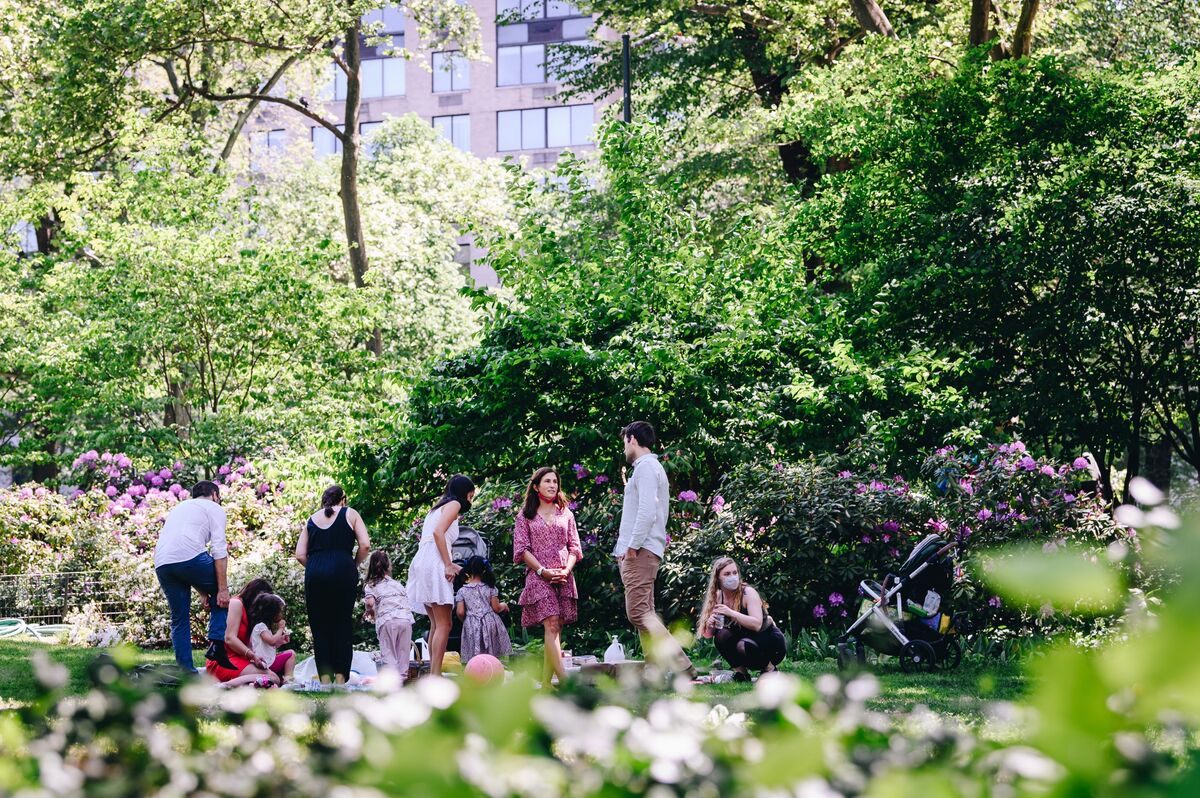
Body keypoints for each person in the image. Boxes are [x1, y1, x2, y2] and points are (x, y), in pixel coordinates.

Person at [613, 422, 696, 679]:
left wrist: (632, 547)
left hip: (640, 550)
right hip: (640, 549)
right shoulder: (645, 468)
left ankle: (683, 665)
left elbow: (648, 512)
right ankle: (653, 668)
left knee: (637, 612)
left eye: (624, 441)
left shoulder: (647, 468)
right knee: (645, 611)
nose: (624, 448)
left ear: (632, 438)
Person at [513, 467, 582, 687]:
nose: (552, 485)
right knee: (551, 624)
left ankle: (545, 686)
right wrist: (542, 571)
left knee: (556, 628)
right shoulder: (525, 516)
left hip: (563, 575)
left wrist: (566, 570)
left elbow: (574, 547)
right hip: (538, 575)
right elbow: (521, 550)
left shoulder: (566, 513)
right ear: (536, 486)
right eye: (547, 481)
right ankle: (565, 683)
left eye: (555, 481)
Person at [294, 485, 371, 684]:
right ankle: (340, 678)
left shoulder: (311, 519)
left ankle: (325, 680)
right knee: (342, 624)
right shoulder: (350, 514)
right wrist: (353, 563)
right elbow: (365, 545)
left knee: (320, 626)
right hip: (343, 569)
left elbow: (299, 554)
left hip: (315, 573)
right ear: (343, 499)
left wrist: (316, 567)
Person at [154, 480, 232, 673]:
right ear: (214, 495)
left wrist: (202, 591)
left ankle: (186, 672)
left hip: (163, 563)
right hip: (189, 559)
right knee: (223, 598)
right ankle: (217, 644)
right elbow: (219, 550)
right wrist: (221, 589)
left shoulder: (179, 508)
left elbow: (180, 550)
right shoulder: (214, 507)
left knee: (179, 619)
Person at [407, 475, 475, 677]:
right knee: (445, 624)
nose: (471, 500)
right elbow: (438, 534)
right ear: (464, 492)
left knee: (436, 624)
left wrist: (449, 562)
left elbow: (435, 537)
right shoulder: (454, 503)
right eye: (471, 495)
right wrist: (447, 564)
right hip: (434, 562)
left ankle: (432, 673)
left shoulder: (436, 509)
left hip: (423, 561)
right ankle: (435, 676)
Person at [697, 557, 786, 681]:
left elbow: (757, 625)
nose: (732, 577)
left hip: (769, 642)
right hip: (745, 641)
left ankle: (770, 669)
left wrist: (731, 613)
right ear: (718, 578)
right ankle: (742, 674)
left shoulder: (748, 593)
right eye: (727, 574)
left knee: (743, 645)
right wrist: (710, 623)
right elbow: (707, 635)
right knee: (721, 636)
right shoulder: (717, 596)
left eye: (734, 573)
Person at [205, 578, 296, 687]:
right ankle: (226, 685)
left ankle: (243, 683)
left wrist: (278, 641)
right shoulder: (236, 603)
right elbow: (229, 638)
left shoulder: (251, 613)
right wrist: (252, 656)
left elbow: (255, 643)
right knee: (273, 678)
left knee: (276, 677)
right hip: (225, 661)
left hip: (243, 659)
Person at [364, 550, 415, 682]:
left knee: (389, 655)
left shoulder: (371, 585)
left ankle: (392, 685)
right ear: (388, 567)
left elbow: (370, 602)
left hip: (388, 621)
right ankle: (402, 680)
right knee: (403, 654)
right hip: (405, 620)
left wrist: (369, 610)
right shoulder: (397, 584)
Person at [455, 556, 513, 663]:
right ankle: (493, 670)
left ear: (468, 570)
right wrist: (504, 605)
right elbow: (496, 608)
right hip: (490, 623)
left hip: (471, 624)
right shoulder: (490, 588)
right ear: (484, 570)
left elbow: (460, 612)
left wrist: (466, 620)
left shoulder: (462, 591)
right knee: (493, 656)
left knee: (475, 657)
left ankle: (476, 673)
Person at [248, 593, 291, 685]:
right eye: (279, 611)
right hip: (265, 663)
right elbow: (272, 641)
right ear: (271, 613)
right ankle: (288, 680)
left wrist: (281, 642)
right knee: (291, 654)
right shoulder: (260, 626)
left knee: (288, 653)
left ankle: (283, 679)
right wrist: (280, 629)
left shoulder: (264, 627)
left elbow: (271, 645)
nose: (281, 614)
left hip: (268, 661)